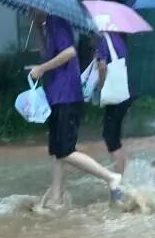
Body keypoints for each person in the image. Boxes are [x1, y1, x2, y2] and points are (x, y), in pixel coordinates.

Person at [29, 11, 124, 207]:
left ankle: (111, 177)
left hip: (67, 96)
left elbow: (69, 52)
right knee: (58, 151)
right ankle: (56, 197)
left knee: (65, 151)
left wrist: (42, 69)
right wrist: (38, 28)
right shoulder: (49, 25)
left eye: (31, 7)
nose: (29, 11)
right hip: (56, 97)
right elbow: (46, 54)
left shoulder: (58, 21)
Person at [95, 31, 131, 173]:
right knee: (114, 136)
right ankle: (123, 170)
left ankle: (120, 175)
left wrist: (100, 85)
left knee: (110, 137)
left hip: (114, 97)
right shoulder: (118, 39)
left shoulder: (104, 40)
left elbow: (102, 66)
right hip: (122, 94)